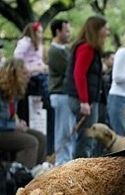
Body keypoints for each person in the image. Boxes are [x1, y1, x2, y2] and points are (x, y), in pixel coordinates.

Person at [66, 15, 109, 158]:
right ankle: (80, 171)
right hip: (84, 101)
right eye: (104, 28)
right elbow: (79, 74)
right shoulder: (86, 48)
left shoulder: (90, 48)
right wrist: (84, 101)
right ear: (96, 29)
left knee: (86, 137)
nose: (107, 31)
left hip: (88, 99)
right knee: (87, 138)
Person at [0, 58, 46, 169]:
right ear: (14, 74)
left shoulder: (14, 92)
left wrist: (18, 122)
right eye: (24, 73)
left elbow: (11, 115)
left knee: (41, 137)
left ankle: (37, 173)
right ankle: (21, 176)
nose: (28, 76)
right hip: (2, 130)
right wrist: (14, 125)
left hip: (8, 128)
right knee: (30, 142)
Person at [48, 19, 75, 166]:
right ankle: (61, 163)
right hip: (60, 94)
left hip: (65, 95)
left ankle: (67, 161)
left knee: (68, 130)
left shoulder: (64, 49)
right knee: (62, 131)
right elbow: (69, 69)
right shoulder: (54, 51)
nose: (69, 33)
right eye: (66, 30)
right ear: (58, 31)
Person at [14, 22, 49, 124]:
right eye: (39, 32)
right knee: (26, 109)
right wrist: (31, 69)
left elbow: (38, 60)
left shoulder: (38, 45)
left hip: (38, 77)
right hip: (28, 79)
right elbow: (17, 60)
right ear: (33, 32)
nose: (41, 35)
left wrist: (43, 67)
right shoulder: (25, 43)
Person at [98, 50, 114, 124]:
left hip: (106, 100)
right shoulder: (100, 69)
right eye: (112, 59)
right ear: (105, 59)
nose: (114, 61)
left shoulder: (111, 72)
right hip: (100, 101)